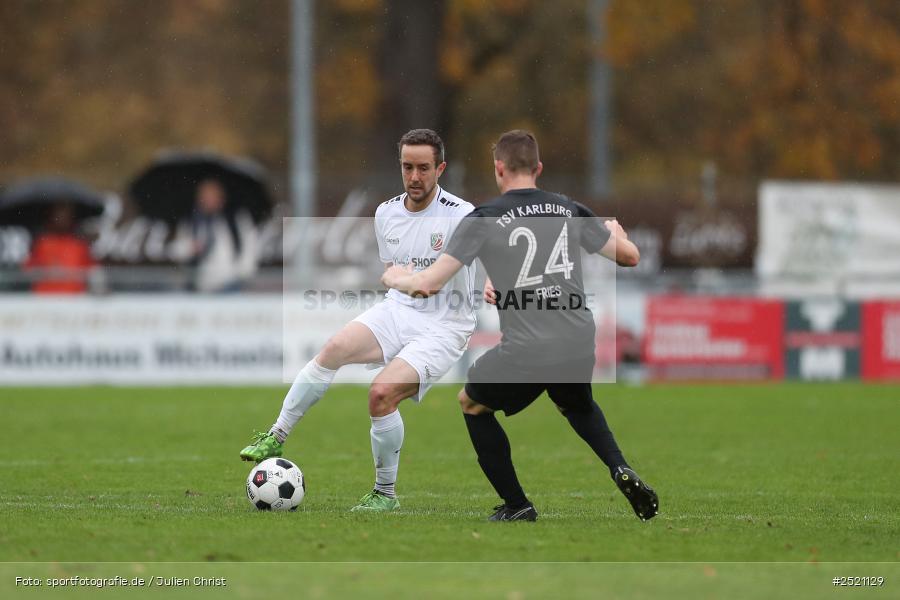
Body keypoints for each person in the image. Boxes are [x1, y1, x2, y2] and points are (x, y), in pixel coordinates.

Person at [381, 129, 659, 522]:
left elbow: (428, 284)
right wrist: (616, 232)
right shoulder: (568, 208)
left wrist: (395, 277)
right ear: (538, 168)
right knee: (575, 404)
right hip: (577, 338)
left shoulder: (485, 218)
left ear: (498, 168)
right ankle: (620, 468)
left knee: (472, 403)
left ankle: (517, 505)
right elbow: (629, 257)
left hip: (528, 347)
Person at [240, 129, 478, 512]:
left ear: (440, 169)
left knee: (381, 394)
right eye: (407, 167)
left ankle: (385, 494)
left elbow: (425, 285)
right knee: (332, 350)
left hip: (445, 325)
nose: (414, 177)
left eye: (423, 168)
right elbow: (393, 273)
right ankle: (276, 435)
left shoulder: (461, 215)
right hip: (397, 310)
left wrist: (400, 279)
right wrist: (396, 279)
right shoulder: (387, 213)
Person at [188, 179, 258, 293]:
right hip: (203, 286)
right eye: (204, 196)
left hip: (232, 283)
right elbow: (179, 251)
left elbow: (250, 247)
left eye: (212, 195)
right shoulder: (194, 222)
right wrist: (189, 248)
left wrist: (243, 276)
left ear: (221, 197)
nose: (208, 200)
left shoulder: (237, 218)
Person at [23, 203, 98, 294]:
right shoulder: (42, 243)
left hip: (75, 299)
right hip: (45, 298)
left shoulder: (79, 245)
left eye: (66, 214)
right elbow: (28, 270)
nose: (62, 218)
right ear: (52, 216)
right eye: (58, 214)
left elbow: (93, 271)